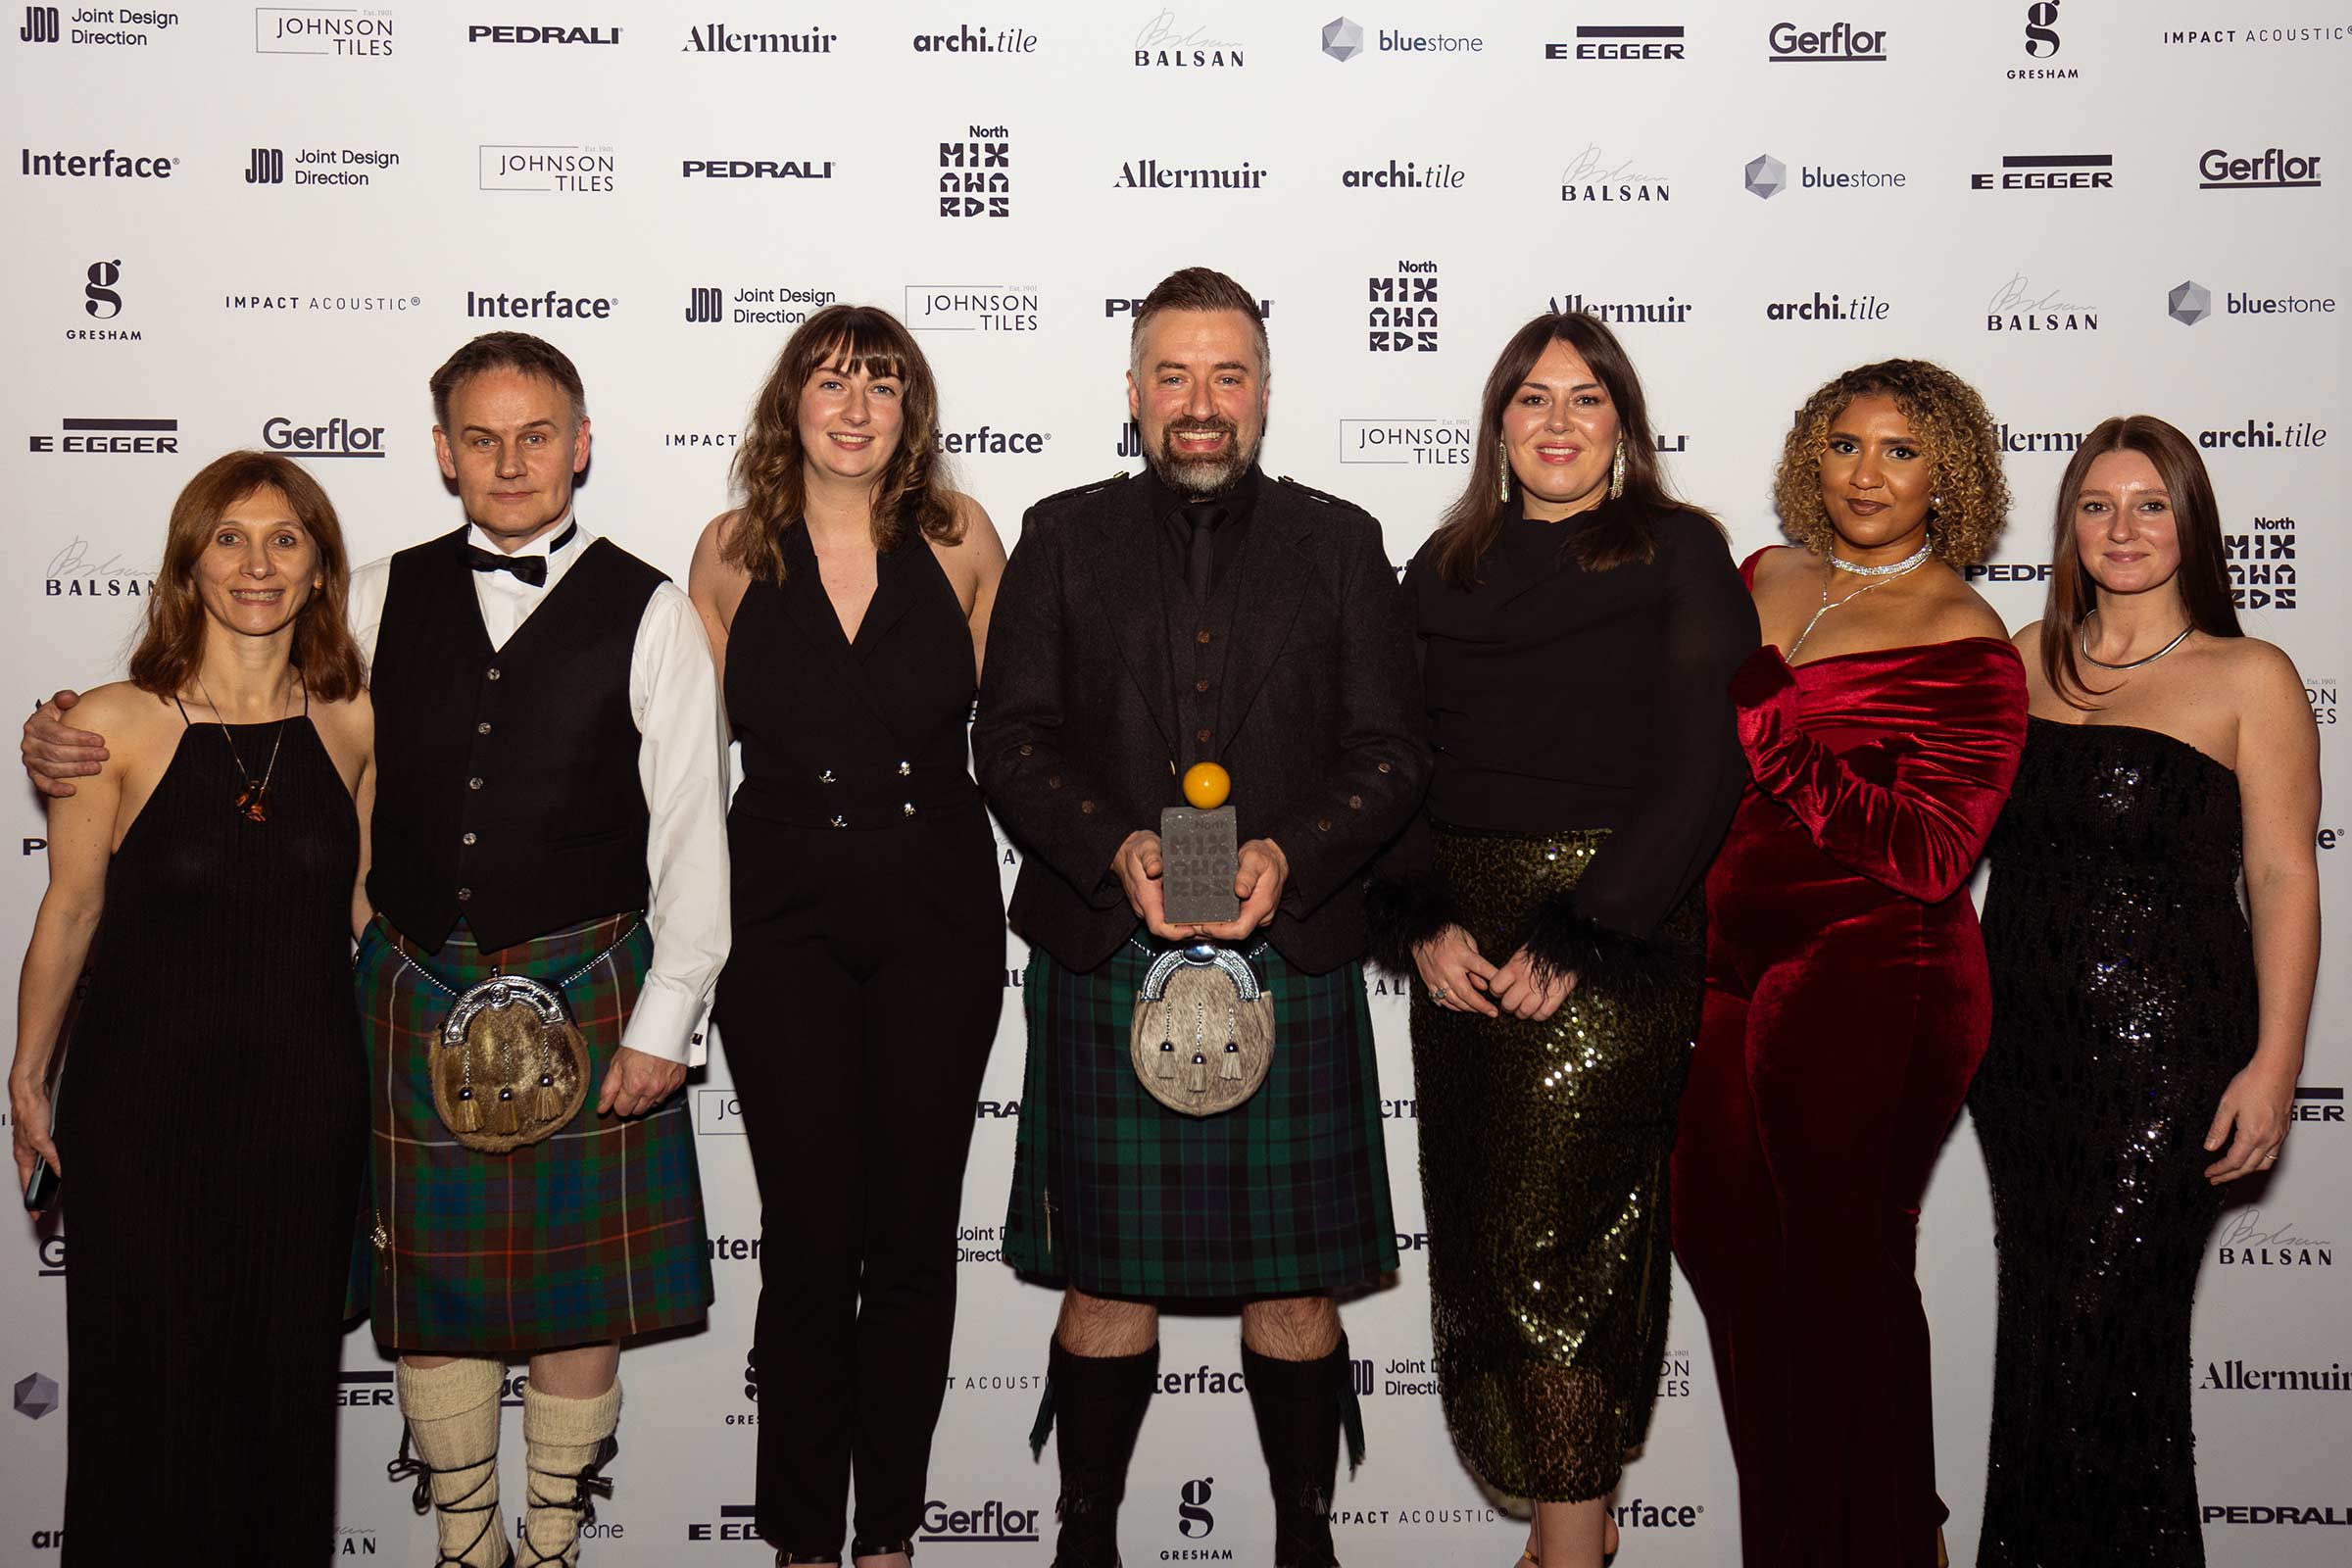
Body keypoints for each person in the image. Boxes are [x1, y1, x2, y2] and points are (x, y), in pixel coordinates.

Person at [23, 332, 731, 1568]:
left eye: (535, 435)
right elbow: (233, 694)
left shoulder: (655, 608)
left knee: (581, 1294)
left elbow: (692, 829)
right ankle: (468, 1541)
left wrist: (666, 1019)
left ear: (580, 444)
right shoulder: (370, 596)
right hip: (414, 984)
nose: (510, 461)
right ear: (445, 454)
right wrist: (60, 730)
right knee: (435, 1291)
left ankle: (552, 1537)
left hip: (589, 979)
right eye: (480, 437)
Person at [972, 266, 1428, 1568]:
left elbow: (1391, 751)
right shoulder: (1060, 534)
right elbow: (1009, 743)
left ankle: (1304, 1542)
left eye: (1228, 376)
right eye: (1173, 376)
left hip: (1286, 949)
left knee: (1294, 1285)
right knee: (1104, 1276)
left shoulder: (1341, 542)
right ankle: (1085, 1541)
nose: (1201, 404)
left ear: (1266, 395)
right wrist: (1109, 846)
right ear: (1132, 394)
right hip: (1108, 948)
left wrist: (1296, 851)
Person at [1363, 313, 1753, 1568]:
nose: (1558, 422)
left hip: (1610, 925)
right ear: (1498, 424)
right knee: (1481, 1241)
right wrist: (1419, 916)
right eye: (1533, 399)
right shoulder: (1445, 564)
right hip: (1463, 942)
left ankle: (1572, 1546)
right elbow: (1399, 761)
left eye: (1587, 400)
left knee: (1566, 1245)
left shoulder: (1682, 551)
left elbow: (1706, 764)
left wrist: (1592, 927)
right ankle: (1560, 1530)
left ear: (1625, 427)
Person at [1670, 361, 2028, 1567]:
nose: (1866, 473)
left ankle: (1888, 1539)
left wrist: (1774, 725)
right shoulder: (1766, 575)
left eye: (1900, 450)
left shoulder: (1965, 636)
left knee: (1842, 1265)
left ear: (1950, 477)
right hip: (1727, 961)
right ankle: (1788, 1536)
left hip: (1882, 964)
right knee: (1721, 1239)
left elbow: (1932, 852)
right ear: (1807, 458)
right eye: (1843, 445)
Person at [685, 304, 1006, 1568]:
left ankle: (890, 1538)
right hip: (782, 925)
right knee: (813, 1234)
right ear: (792, 404)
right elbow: (678, 770)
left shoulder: (964, 539)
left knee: (916, 1232)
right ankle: (805, 1539)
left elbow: (1023, 735)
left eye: (884, 383)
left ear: (911, 410)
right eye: (833, 382)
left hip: (938, 913)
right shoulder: (725, 554)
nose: (859, 406)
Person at [8, 451, 373, 1562]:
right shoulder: (110, 722)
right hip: (141, 1116)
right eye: (229, 537)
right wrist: (28, 1073)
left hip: (305, 1116)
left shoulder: (354, 719)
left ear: (318, 568)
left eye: (284, 539)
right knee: (142, 1399)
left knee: (281, 1404)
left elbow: (361, 916)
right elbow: (69, 914)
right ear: (188, 561)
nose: (256, 563)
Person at [1969, 416, 2318, 1567]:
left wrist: (2273, 1069)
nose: (2124, 529)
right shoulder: (2023, 656)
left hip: (2166, 1064)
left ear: (2190, 523)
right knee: (2039, 1351)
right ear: (2068, 526)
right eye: (2097, 505)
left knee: (2107, 1352)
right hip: (2019, 1062)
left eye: (2151, 504)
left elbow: (2279, 875)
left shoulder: (2248, 673)